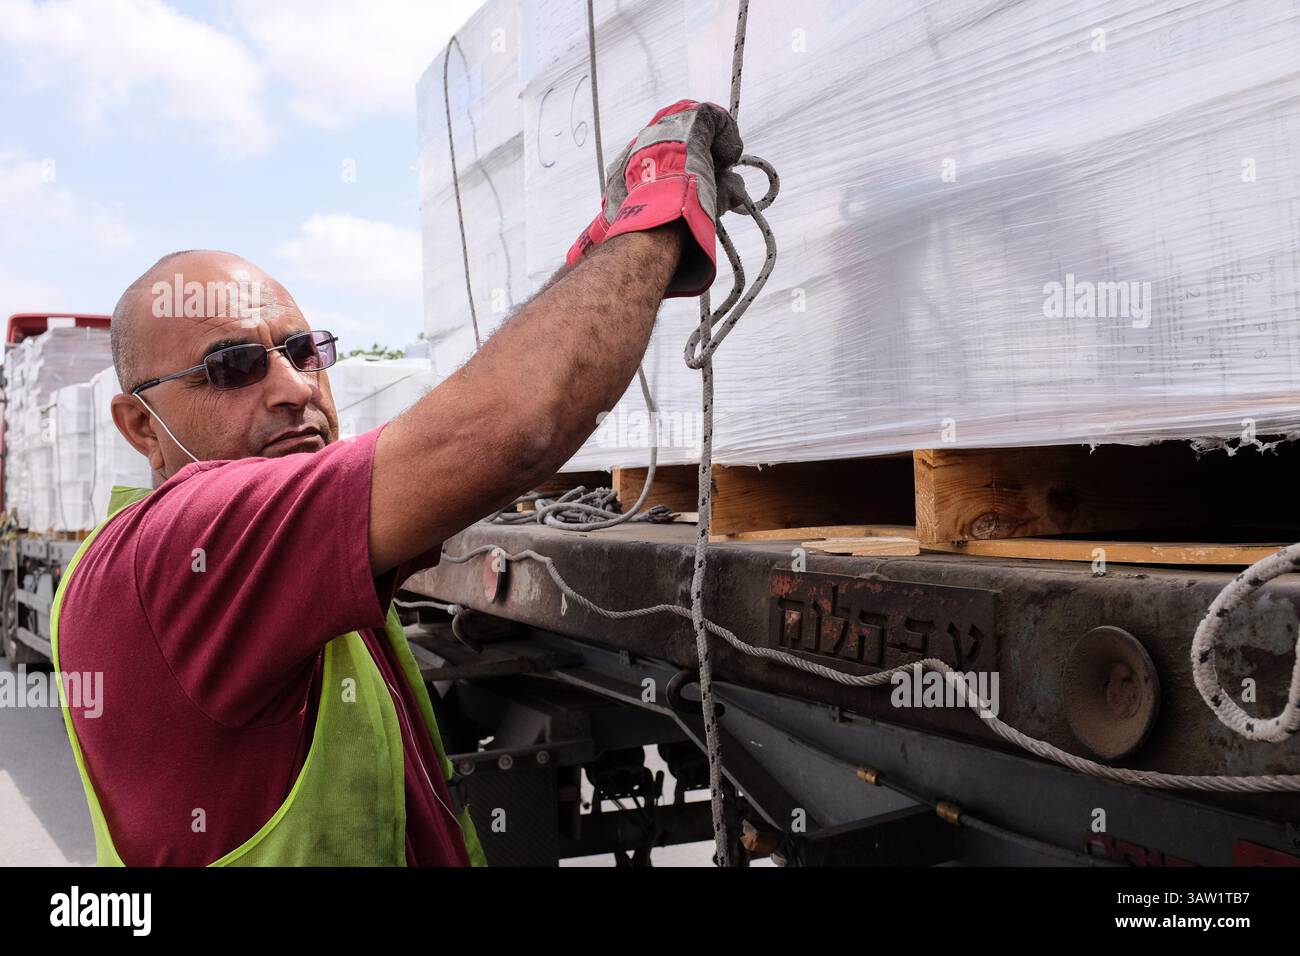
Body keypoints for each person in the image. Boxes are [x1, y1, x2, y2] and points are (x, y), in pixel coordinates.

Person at [51, 100, 743, 865]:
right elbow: (510, 429)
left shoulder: (271, 559)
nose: (293, 388)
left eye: (302, 350)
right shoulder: (185, 548)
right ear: (141, 427)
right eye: (233, 367)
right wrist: (660, 208)